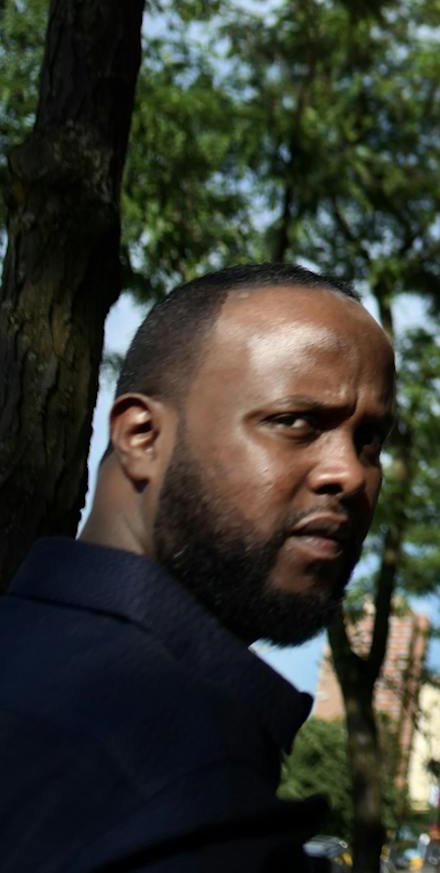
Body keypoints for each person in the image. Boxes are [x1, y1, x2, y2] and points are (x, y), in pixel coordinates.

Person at [0, 263, 396, 870]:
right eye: (295, 422)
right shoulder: (178, 785)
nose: (349, 474)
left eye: (370, 440)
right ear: (141, 435)